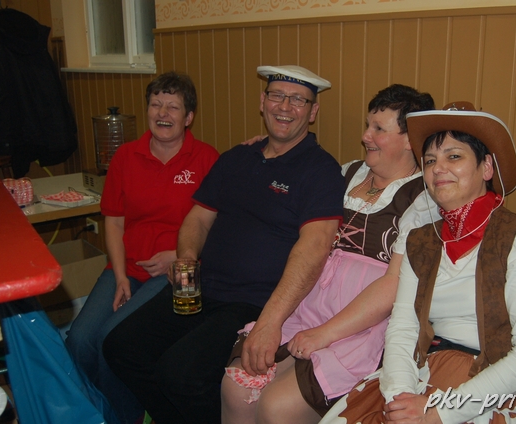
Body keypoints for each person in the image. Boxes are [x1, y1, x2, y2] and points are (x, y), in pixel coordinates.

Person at [103, 65, 346, 424]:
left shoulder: (320, 170)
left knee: (180, 373)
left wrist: (270, 322)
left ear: (313, 112)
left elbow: (315, 249)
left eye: (298, 100)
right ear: (262, 102)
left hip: (252, 303)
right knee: (121, 347)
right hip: (200, 289)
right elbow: (198, 218)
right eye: (277, 96)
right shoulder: (236, 158)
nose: (285, 106)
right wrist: (187, 257)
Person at [321, 102, 516, 424]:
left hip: (495, 387)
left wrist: (440, 413)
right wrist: (401, 396)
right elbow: (403, 328)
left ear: (486, 168)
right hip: (425, 372)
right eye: (431, 160)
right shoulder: (421, 241)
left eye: (454, 156)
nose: (438, 168)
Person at [221, 84, 441, 424]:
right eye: (367, 125)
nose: (366, 136)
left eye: (379, 129)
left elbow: (395, 285)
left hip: (364, 325)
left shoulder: (424, 200)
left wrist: (325, 334)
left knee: (277, 407)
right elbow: (287, 180)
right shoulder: (345, 173)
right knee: (235, 388)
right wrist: (267, 149)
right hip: (308, 303)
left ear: (410, 139)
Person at [65, 71, 220, 424]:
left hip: (176, 274)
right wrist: (120, 276)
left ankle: (127, 417)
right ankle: (98, 409)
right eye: (155, 104)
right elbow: (114, 221)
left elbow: (218, 225)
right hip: (126, 267)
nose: (162, 113)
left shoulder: (206, 159)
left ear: (188, 117)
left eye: (173, 107)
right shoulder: (125, 156)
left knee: (111, 340)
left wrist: (179, 257)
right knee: (79, 340)